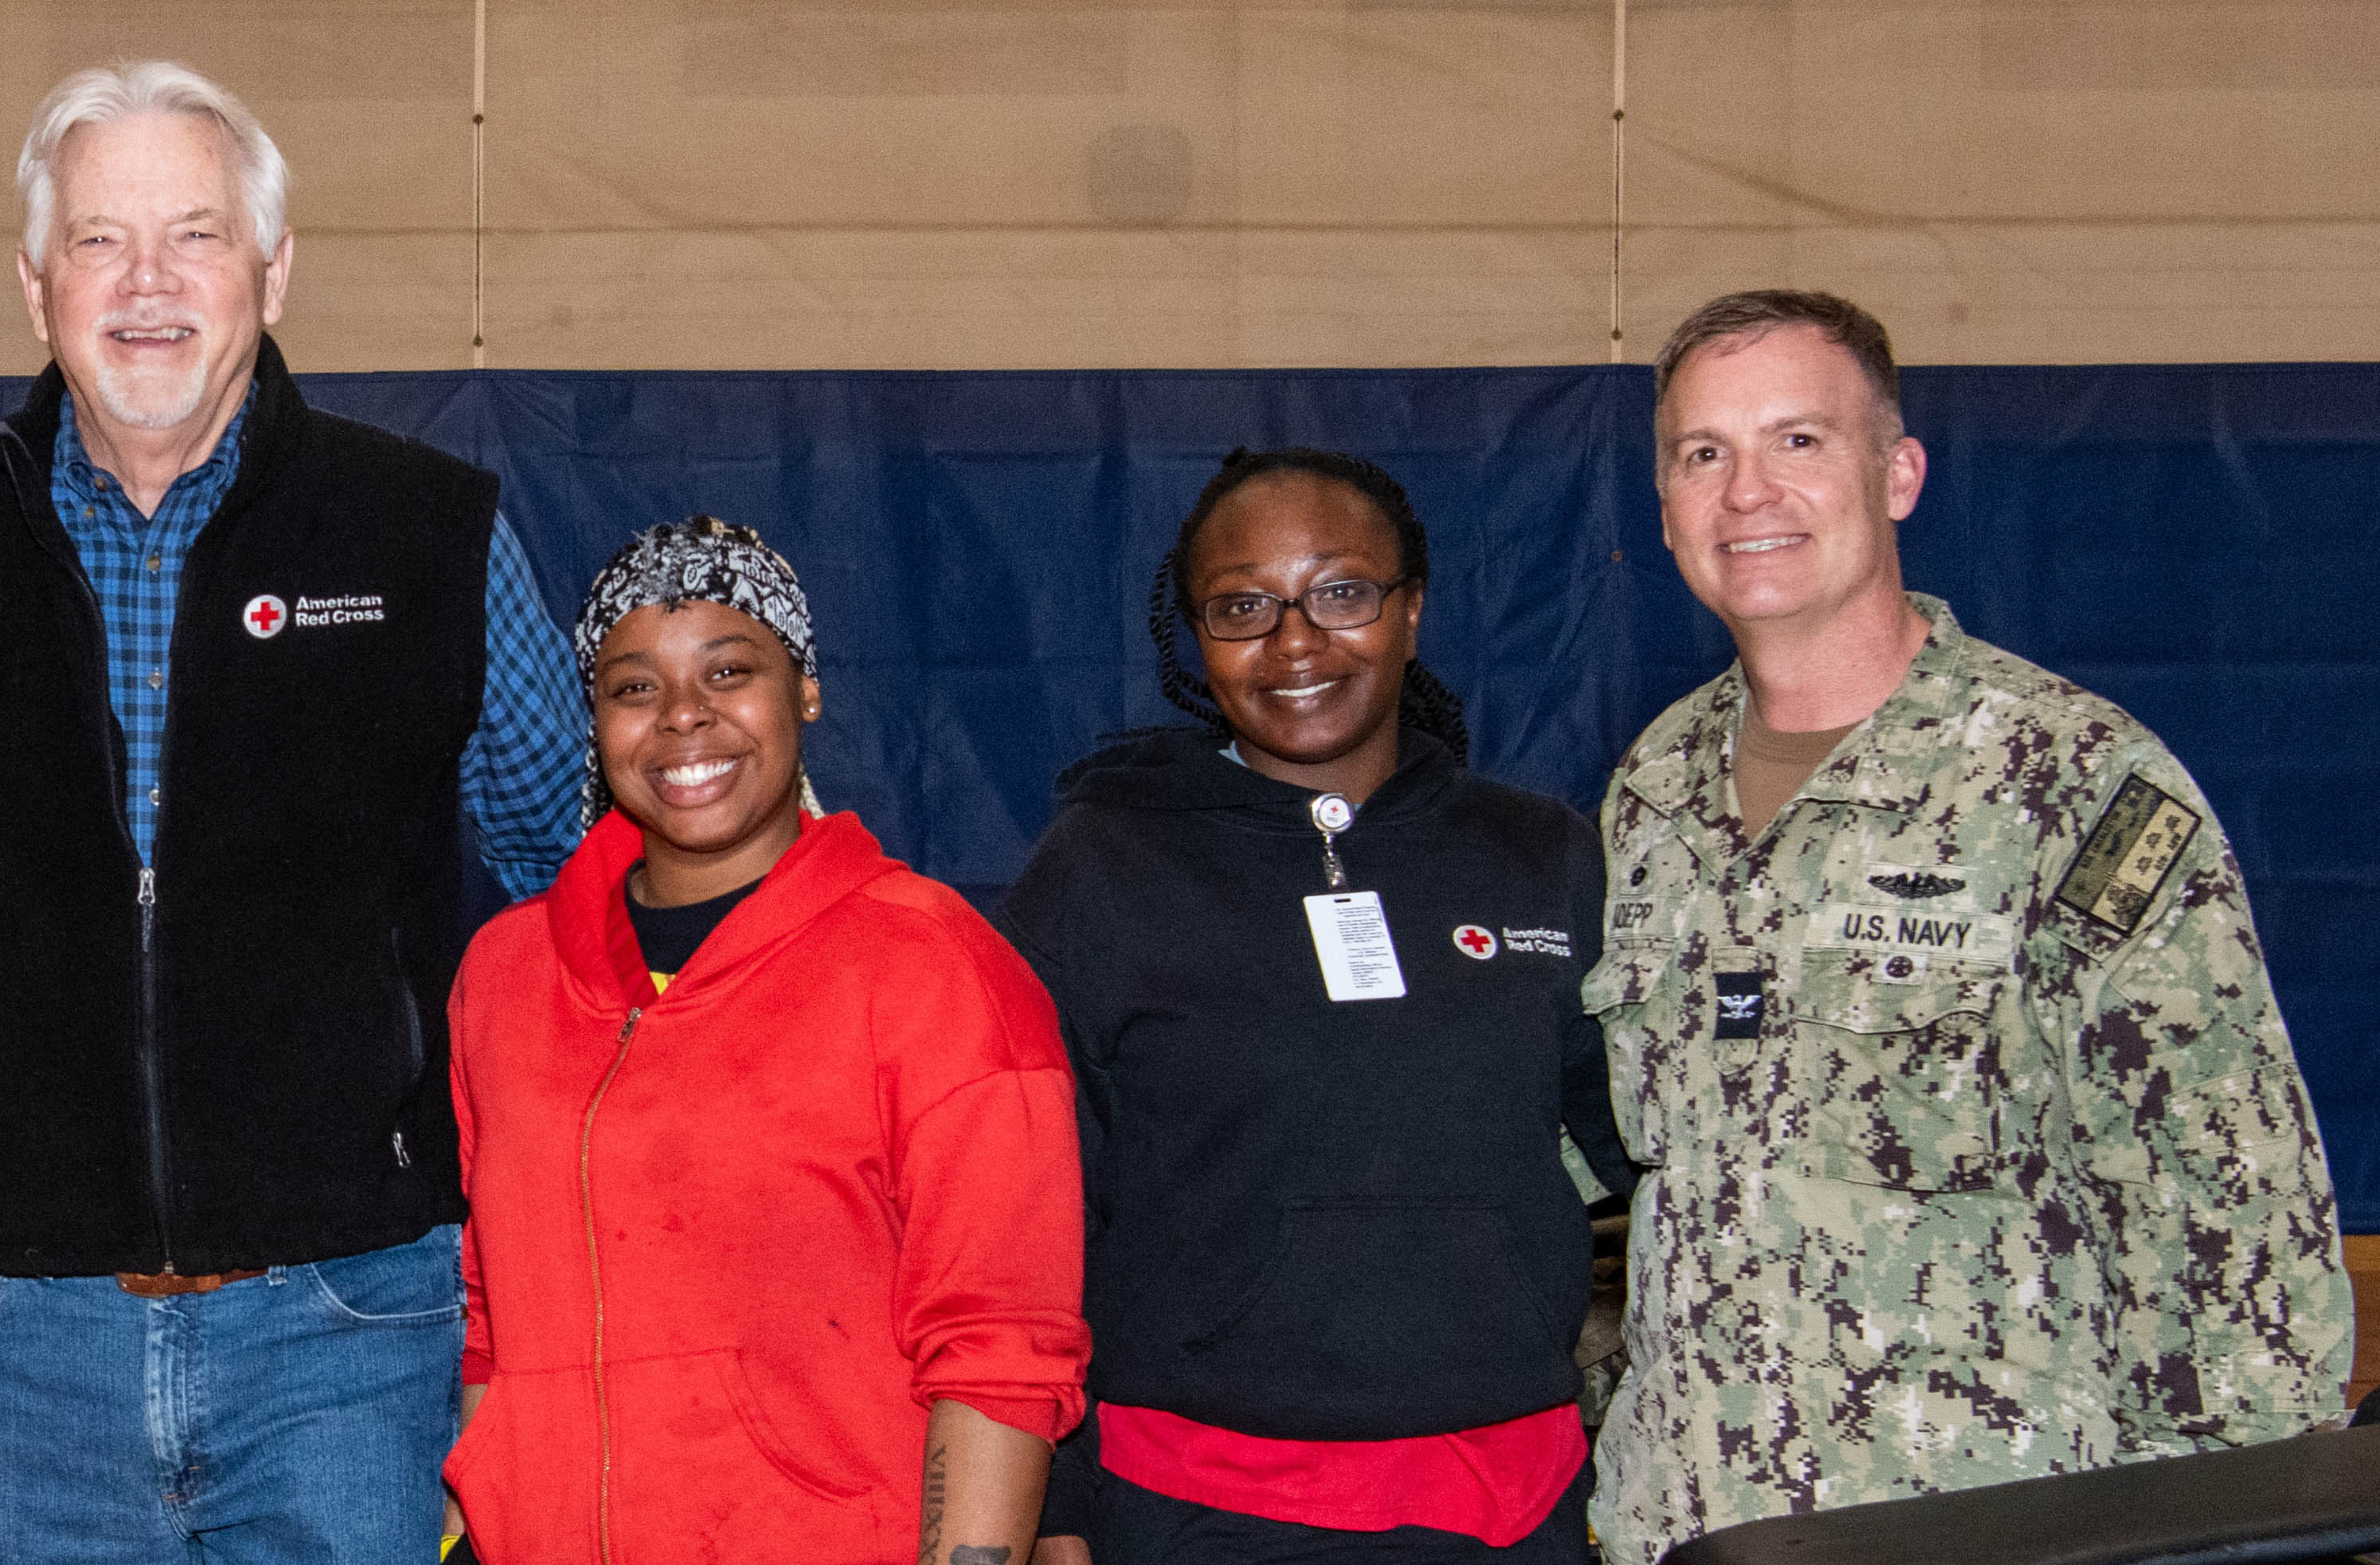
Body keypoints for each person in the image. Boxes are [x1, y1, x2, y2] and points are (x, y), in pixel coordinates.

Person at [0, 59, 595, 1563]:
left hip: (347, 1317)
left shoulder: (428, 532)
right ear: (33, 282)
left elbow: (565, 875)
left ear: (272, 268)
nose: (146, 284)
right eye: (97, 240)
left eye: (193, 234)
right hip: (17, 1325)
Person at [1589, 289, 2351, 1559]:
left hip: (1986, 1522)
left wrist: (2226, 1532)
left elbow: (2231, 1218)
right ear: (1663, 506)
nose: (1744, 493)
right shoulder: (1652, 790)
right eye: (1701, 454)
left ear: (1895, 474)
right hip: (1694, 1522)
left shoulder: (2071, 779)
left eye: (1797, 440)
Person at [1004, 450, 1635, 1564]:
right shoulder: (1101, 868)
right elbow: (1028, 1219)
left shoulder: (1541, 856)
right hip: (1199, 1505)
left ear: (1410, 611)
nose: (1294, 643)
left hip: (1507, 1501)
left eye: (1340, 593)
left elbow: (1653, 1152)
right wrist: (1055, 1507)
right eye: (1242, 606)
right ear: (1194, 637)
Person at [441, 517, 1088, 1563]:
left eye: (729, 671)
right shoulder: (504, 976)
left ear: (805, 692)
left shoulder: (933, 967)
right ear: (593, 722)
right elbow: (486, 1312)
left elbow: (1000, 1350)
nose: (683, 716)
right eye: (633, 686)